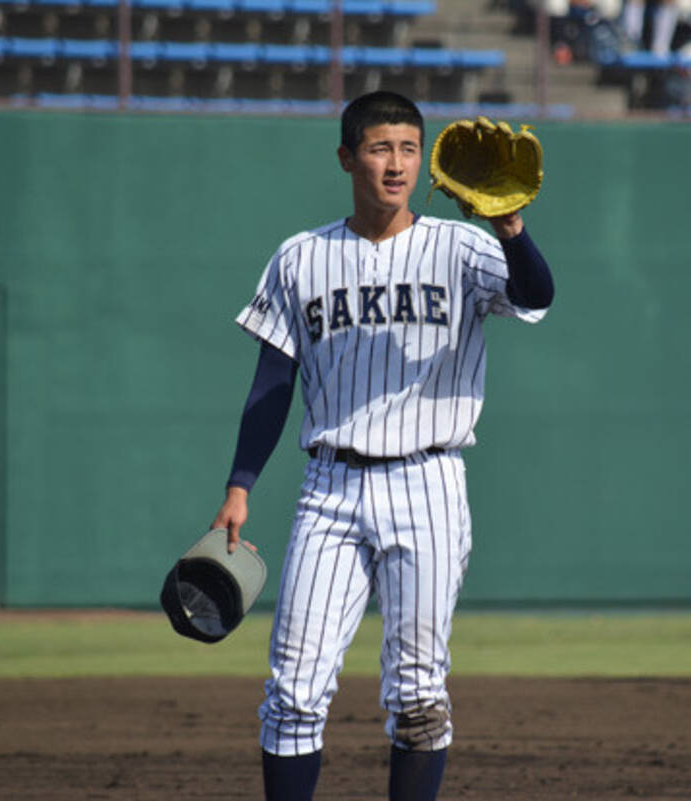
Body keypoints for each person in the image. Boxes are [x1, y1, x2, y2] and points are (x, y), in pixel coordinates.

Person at [211, 91, 555, 801]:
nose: (395, 164)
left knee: (419, 692)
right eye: (378, 148)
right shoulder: (300, 257)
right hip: (329, 489)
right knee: (294, 688)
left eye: (407, 148)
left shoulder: (461, 247)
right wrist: (240, 484)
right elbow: (273, 382)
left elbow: (536, 295)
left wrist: (511, 229)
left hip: (427, 483)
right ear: (346, 158)